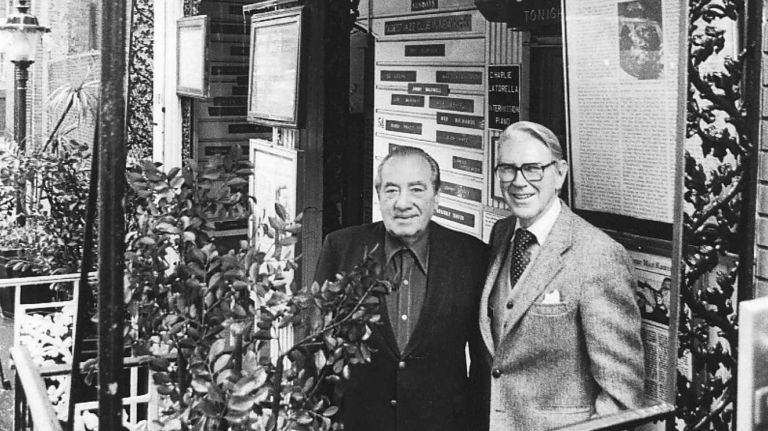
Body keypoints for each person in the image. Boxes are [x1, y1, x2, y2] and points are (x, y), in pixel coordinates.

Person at [480, 121, 645, 430]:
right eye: (508, 169)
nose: (519, 181)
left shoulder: (598, 255)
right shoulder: (502, 233)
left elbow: (622, 398)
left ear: (559, 173)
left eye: (533, 169)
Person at [314, 146, 489, 431]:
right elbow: (317, 347)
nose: (402, 203)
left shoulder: (471, 256)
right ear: (379, 196)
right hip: (358, 423)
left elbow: (484, 363)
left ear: (436, 196)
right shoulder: (341, 247)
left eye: (416, 190)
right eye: (391, 190)